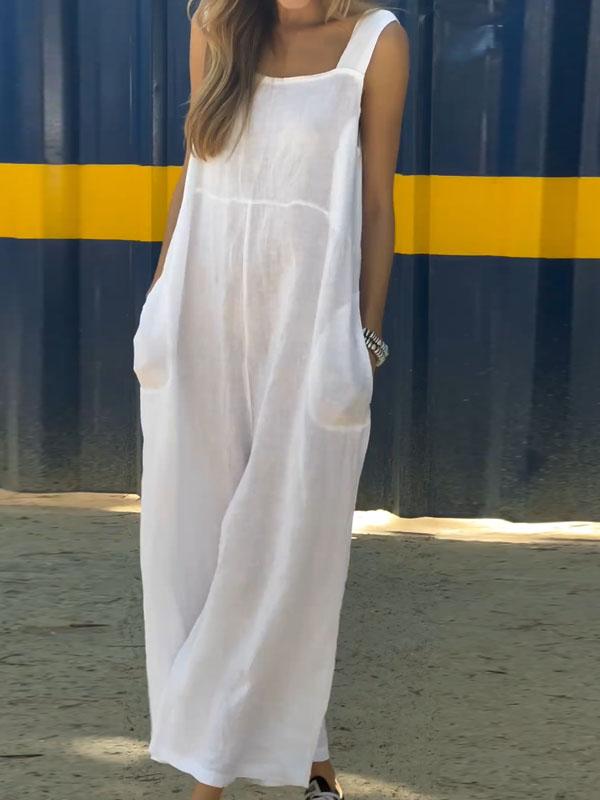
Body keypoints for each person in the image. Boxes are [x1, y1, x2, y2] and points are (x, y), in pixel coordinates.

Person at [132, 0, 409, 797]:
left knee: (287, 549)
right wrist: (158, 305)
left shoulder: (375, 41)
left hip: (305, 331)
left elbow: (377, 200)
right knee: (193, 551)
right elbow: (196, 174)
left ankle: (216, 779)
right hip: (201, 322)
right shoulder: (216, 24)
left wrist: (365, 338)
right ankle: (309, 769)